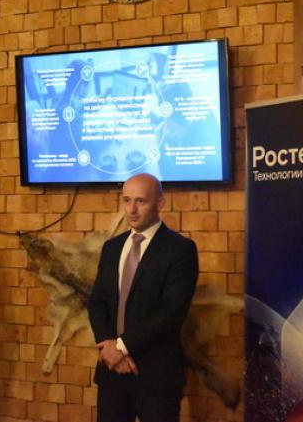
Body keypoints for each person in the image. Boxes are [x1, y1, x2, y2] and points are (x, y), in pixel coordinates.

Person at [88, 173, 199, 422]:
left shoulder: (180, 249)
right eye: (126, 200)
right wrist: (108, 348)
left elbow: (171, 313)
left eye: (141, 201)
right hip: (112, 373)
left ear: (160, 203)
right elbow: (97, 303)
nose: (132, 209)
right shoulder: (112, 247)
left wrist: (121, 347)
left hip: (156, 376)